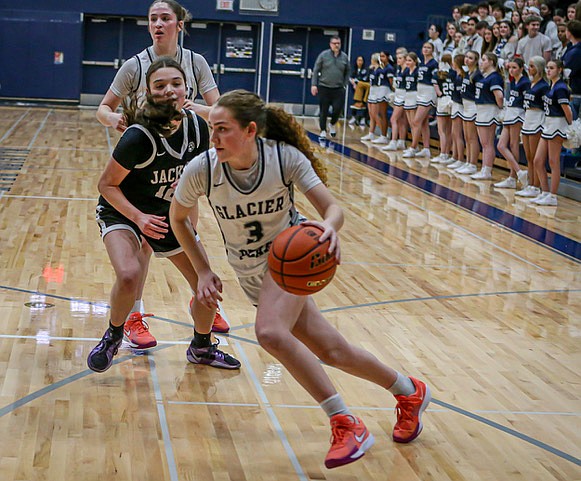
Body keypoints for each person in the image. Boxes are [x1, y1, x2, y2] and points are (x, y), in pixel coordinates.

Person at [170, 89, 431, 470]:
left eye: (222, 130)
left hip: (288, 259)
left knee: (271, 333)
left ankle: (345, 422)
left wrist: (328, 227)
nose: (214, 138)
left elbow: (332, 208)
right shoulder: (203, 169)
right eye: (212, 129)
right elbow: (178, 219)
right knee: (332, 351)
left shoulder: (282, 158)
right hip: (251, 274)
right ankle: (408, 391)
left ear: (250, 130)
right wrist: (203, 270)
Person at [89, 57, 241, 373]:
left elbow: (211, 178)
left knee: (207, 283)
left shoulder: (199, 129)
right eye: (160, 85)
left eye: (176, 83)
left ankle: (201, 347)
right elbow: (106, 185)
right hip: (125, 212)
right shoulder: (138, 137)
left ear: (187, 90)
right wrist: (140, 218)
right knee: (130, 274)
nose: (169, 90)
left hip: (168, 216)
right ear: (150, 92)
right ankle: (114, 335)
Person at [95, 0, 228, 345]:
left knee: (188, 239)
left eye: (165, 18)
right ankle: (134, 316)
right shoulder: (135, 66)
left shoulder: (195, 63)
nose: (158, 24)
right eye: (153, 18)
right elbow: (103, 108)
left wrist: (189, 108)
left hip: (180, 164)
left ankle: (202, 301)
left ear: (179, 25)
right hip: (142, 164)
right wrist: (114, 120)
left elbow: (220, 109)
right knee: (143, 249)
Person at [531, 59, 573, 205]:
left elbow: (568, 112)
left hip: (557, 125)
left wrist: (570, 128)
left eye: (552, 68)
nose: (548, 70)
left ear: (559, 70)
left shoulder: (561, 87)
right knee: (538, 160)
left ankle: (553, 197)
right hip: (547, 124)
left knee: (553, 162)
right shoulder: (552, 85)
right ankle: (545, 191)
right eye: (547, 68)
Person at [495, 58, 531, 188]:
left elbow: (527, 102)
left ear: (522, 68)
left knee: (513, 144)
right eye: (510, 67)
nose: (511, 70)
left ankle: (513, 177)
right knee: (501, 145)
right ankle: (519, 172)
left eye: (514, 67)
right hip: (510, 113)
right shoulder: (512, 82)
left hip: (518, 114)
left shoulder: (525, 82)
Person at [517, 56, 550, 197]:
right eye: (529, 66)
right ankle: (530, 185)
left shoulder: (543, 86)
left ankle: (537, 187)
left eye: (532, 66)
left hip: (537, 119)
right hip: (527, 118)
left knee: (536, 157)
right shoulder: (530, 84)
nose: (529, 69)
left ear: (539, 68)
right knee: (529, 156)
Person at [311, 36, 351, 140]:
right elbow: (316, 70)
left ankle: (332, 124)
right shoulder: (323, 55)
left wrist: (345, 84)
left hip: (338, 88)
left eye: (338, 43)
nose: (336, 45)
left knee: (337, 109)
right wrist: (314, 85)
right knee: (323, 110)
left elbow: (348, 71)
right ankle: (323, 130)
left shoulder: (345, 57)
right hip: (324, 87)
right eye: (334, 43)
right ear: (330, 44)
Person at [402, 43, 438, 159]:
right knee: (423, 123)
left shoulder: (434, 63)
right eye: (424, 47)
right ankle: (426, 149)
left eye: (428, 48)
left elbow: (436, 79)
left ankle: (413, 147)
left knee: (416, 121)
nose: (426, 49)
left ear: (433, 50)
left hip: (428, 93)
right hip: (420, 93)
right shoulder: (422, 64)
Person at [472, 52, 504, 180]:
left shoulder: (495, 77)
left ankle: (487, 170)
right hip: (482, 110)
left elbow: (500, 96)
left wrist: (500, 110)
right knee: (484, 143)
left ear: (491, 62)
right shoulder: (486, 76)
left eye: (484, 59)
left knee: (487, 143)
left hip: (489, 110)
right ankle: (484, 168)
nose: (481, 62)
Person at [455, 50, 482, 175]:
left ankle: (473, 164)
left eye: (470, 58)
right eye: (466, 57)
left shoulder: (477, 75)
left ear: (476, 61)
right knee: (467, 137)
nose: (467, 59)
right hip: (465, 106)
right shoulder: (467, 73)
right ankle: (467, 161)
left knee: (472, 138)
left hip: (473, 107)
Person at [383, 48, 409, 151]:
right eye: (397, 58)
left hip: (404, 96)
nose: (397, 60)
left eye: (400, 58)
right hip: (398, 95)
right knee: (401, 120)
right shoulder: (399, 69)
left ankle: (393, 141)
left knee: (393, 119)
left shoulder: (407, 70)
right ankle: (401, 142)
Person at [431, 53, 455, 164]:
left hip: (442, 102)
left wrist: (442, 97)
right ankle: (448, 154)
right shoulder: (454, 73)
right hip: (452, 102)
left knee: (442, 131)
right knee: (449, 131)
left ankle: (443, 154)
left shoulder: (437, 74)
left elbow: (438, 92)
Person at [368, 52, 394, 145]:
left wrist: (392, 92)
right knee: (380, 113)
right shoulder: (381, 68)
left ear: (387, 57)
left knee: (382, 114)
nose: (381, 58)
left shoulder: (389, 68)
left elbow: (391, 82)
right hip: (380, 90)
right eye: (380, 57)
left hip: (385, 90)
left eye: (383, 56)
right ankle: (383, 135)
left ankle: (384, 135)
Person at [446, 53, 467, 169]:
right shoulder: (457, 75)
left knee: (458, 134)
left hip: (460, 106)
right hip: (455, 104)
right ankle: (454, 156)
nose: (451, 64)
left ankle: (461, 159)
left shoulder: (462, 77)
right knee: (454, 133)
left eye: (453, 62)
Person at [562, 20, 581, 119]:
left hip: (576, 92)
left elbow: (567, 71)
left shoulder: (576, 52)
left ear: (569, 32)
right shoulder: (571, 48)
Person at [348, 55, 370, 126]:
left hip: (363, 89)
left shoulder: (366, 70)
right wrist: (353, 83)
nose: (360, 62)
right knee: (355, 103)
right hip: (354, 89)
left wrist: (358, 82)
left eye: (361, 60)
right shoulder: (354, 69)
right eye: (358, 60)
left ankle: (363, 118)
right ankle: (353, 117)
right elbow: (350, 78)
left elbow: (365, 79)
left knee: (364, 103)